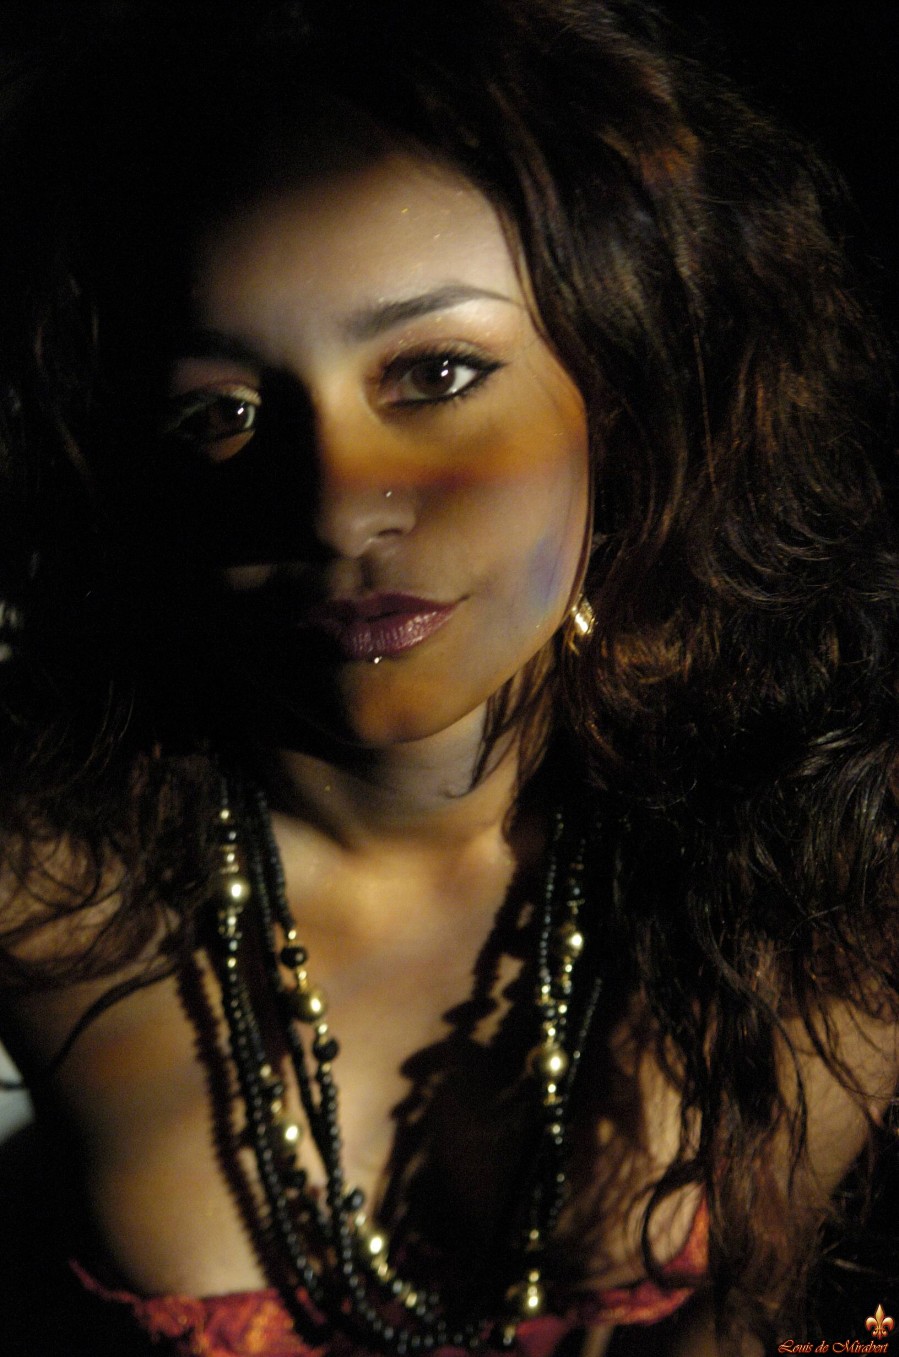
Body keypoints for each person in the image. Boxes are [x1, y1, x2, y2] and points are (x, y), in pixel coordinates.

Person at [1, 2, 898, 1354]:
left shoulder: (821, 870)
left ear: (629, 395)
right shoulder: (49, 877)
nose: (334, 507)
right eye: (221, 412)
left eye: (435, 373)